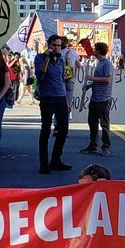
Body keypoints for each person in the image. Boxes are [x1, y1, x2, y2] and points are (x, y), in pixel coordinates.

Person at [33, 36, 72, 173]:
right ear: (48, 45)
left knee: (64, 130)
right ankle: (44, 164)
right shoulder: (40, 58)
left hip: (61, 97)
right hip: (47, 98)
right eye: (54, 45)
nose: (57, 48)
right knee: (46, 131)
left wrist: (67, 101)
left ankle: (56, 159)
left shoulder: (61, 60)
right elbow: (40, 75)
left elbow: (62, 80)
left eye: (59, 46)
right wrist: (48, 58)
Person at [81, 42, 113, 156]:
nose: (93, 51)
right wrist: (89, 85)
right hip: (95, 98)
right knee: (92, 123)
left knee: (104, 124)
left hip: (103, 99)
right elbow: (99, 80)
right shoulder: (99, 63)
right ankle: (93, 145)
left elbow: (107, 79)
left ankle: (105, 146)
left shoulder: (107, 64)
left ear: (99, 51)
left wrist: (91, 78)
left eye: (95, 49)